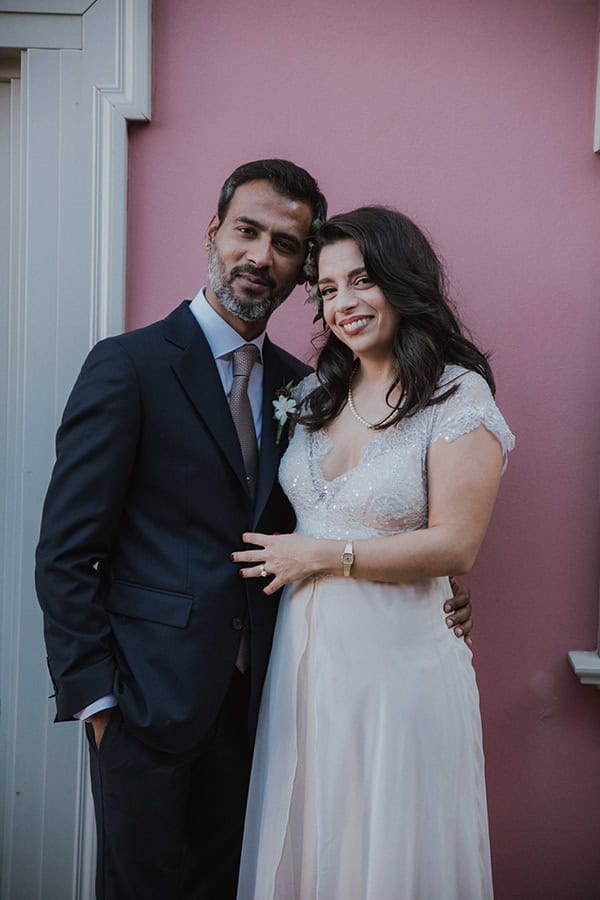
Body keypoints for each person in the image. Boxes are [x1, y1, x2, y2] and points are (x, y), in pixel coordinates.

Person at [35, 164, 473, 900]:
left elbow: (335, 513)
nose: (261, 256)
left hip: (268, 710)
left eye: (286, 245)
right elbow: (66, 551)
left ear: (302, 269)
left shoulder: (309, 389)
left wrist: (440, 581)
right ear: (214, 232)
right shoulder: (128, 366)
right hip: (146, 704)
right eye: (247, 231)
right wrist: (98, 704)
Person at [234, 207, 514, 899]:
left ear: (403, 278)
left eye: (362, 280)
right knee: (310, 840)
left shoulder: (456, 393)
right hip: (304, 664)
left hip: (401, 667)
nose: (344, 304)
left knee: (388, 850)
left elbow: (457, 544)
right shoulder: (311, 394)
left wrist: (321, 557)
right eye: (328, 289)